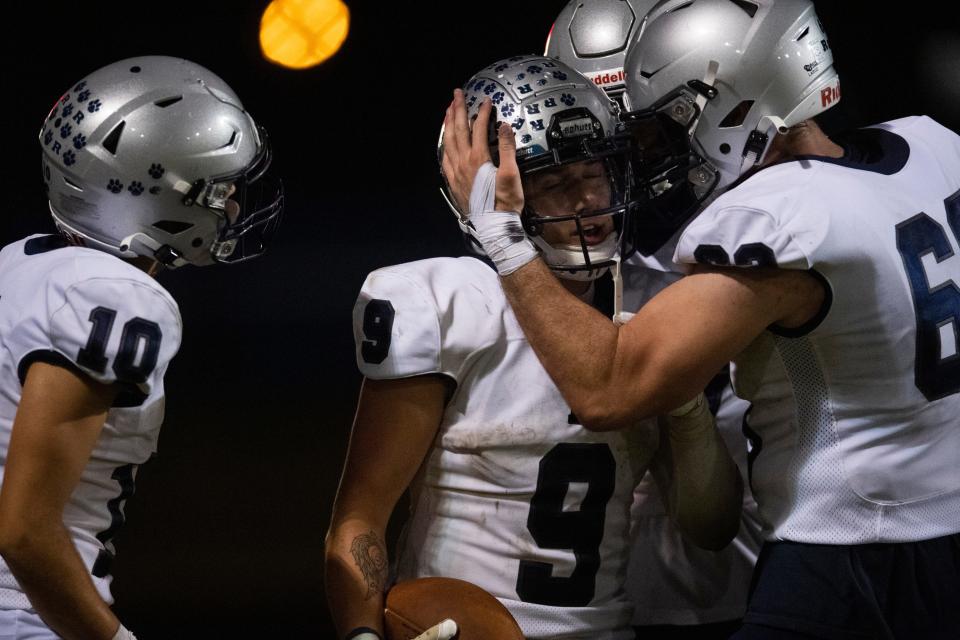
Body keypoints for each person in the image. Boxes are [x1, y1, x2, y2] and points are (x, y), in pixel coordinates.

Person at [443, 0, 960, 638]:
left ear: (734, 103)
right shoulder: (931, 147)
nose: (646, 157)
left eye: (657, 133)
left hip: (851, 544)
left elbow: (610, 389)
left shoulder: (779, 215)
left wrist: (500, 234)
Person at [324, 55, 742, 640]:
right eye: (551, 181)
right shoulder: (446, 303)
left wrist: (683, 401)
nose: (584, 200)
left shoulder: (658, 300)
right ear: (491, 195)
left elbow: (711, 525)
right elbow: (360, 518)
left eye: (594, 172)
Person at [0, 56, 283, 640]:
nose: (232, 208)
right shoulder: (118, 296)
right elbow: (23, 531)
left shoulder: (17, 264)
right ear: (161, 196)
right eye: (221, 189)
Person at [547, 1, 762, 636]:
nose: (626, 162)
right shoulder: (593, 251)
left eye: (642, 130)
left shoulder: (778, 221)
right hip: (637, 594)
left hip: (783, 568)